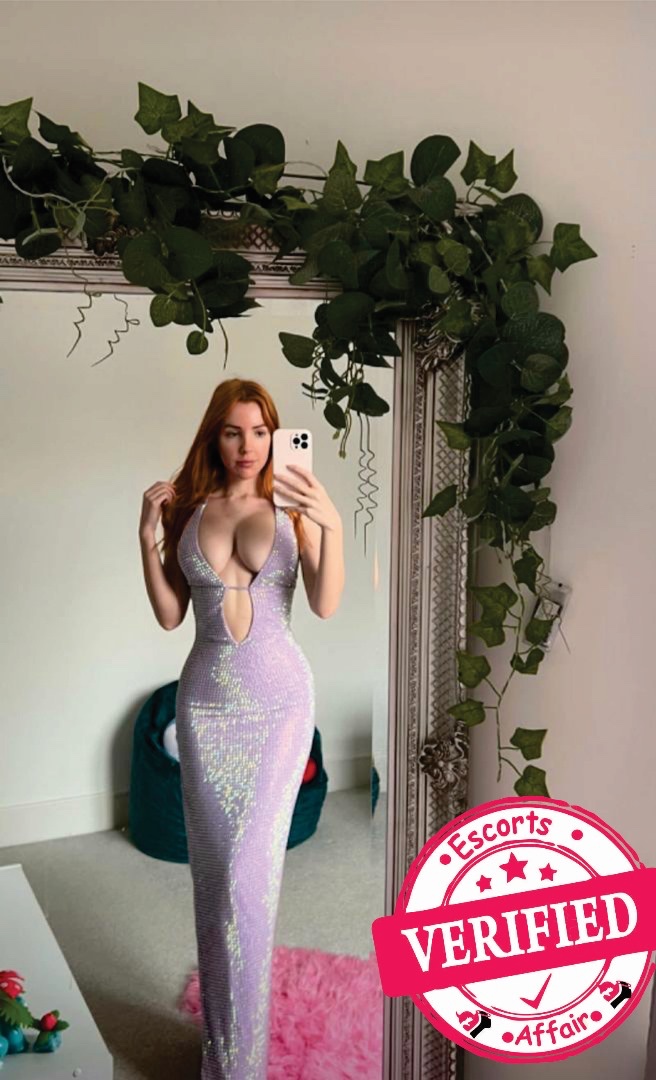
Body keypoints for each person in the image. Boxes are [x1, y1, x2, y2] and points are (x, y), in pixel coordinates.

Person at [138, 378, 345, 1079]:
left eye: (260, 431)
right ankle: (221, 1050)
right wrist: (146, 538)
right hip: (204, 707)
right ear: (215, 436)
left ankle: (241, 1064)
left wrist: (328, 522)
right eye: (233, 431)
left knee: (248, 878)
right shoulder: (190, 510)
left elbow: (325, 602)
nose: (247, 445)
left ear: (275, 435)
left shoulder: (291, 508)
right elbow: (171, 615)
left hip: (278, 706)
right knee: (215, 876)